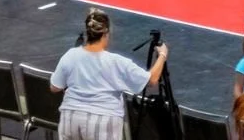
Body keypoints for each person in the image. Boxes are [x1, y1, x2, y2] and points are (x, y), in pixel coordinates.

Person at [49, 7, 166, 140]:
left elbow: (55, 87)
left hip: (70, 118)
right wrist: (162, 54)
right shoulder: (116, 62)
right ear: (106, 33)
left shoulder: (70, 55)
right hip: (102, 121)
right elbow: (151, 80)